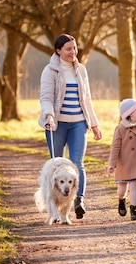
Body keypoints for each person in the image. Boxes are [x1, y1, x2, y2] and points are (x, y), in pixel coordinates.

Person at [39, 33, 102, 220]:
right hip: (56, 123)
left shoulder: (81, 70)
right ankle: (54, 204)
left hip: (78, 123)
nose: (72, 52)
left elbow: (87, 99)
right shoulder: (50, 71)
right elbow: (46, 98)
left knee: (77, 163)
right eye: (68, 49)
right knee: (57, 164)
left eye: (74, 48)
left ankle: (78, 200)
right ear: (58, 51)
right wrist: (48, 115)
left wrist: (94, 124)